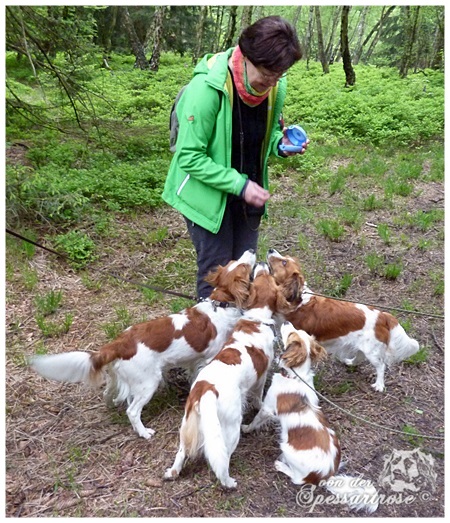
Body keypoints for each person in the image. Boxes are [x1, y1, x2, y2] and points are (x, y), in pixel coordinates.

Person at [162, 15, 308, 300]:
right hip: (206, 196)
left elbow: (263, 133)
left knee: (247, 271)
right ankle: (211, 340)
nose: (272, 82)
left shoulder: (274, 85)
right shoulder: (206, 89)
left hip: (247, 195)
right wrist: (240, 184)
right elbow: (189, 157)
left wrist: (280, 144)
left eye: (279, 75)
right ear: (247, 57)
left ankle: (241, 341)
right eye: (267, 74)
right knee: (220, 275)